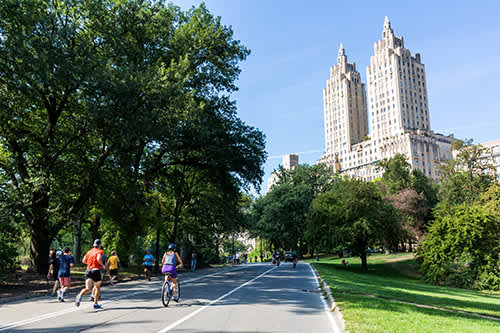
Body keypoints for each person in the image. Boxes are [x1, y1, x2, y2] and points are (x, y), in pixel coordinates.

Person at [75, 239, 104, 309]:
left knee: (88, 288)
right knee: (97, 287)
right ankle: (95, 303)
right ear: (99, 245)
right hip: (96, 270)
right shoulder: (100, 251)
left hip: (88, 271)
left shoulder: (89, 252)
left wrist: (89, 264)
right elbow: (98, 258)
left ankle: (79, 296)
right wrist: (102, 265)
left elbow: (83, 260)